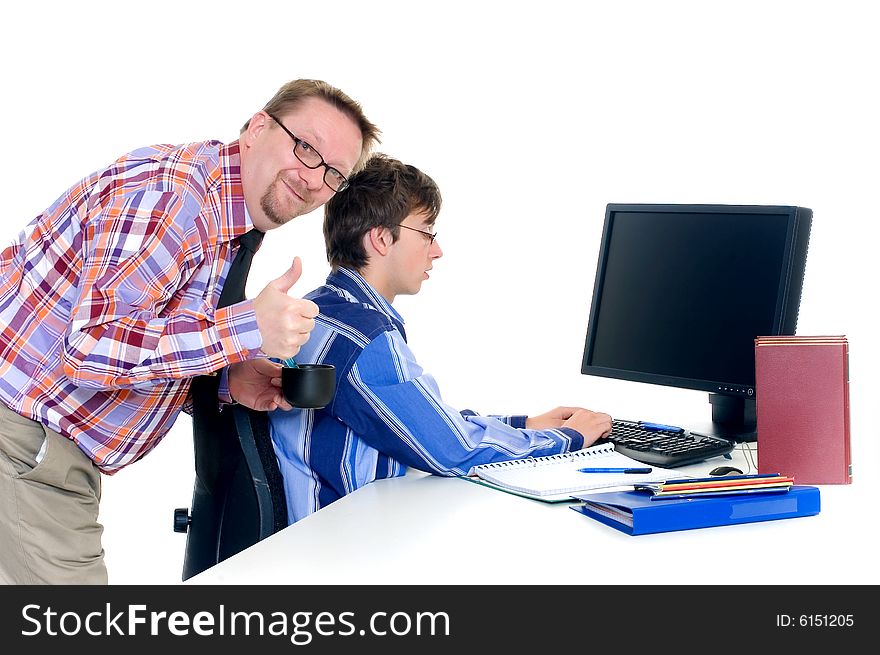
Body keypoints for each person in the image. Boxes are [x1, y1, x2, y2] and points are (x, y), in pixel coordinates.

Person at [0, 79, 380, 584]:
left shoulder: (226, 218)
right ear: (257, 127)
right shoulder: (175, 199)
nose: (313, 179)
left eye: (334, 173)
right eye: (306, 148)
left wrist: (227, 378)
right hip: (25, 444)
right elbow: (91, 346)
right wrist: (245, 327)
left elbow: (144, 333)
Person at [269, 154, 612, 525]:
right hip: (341, 547)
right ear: (382, 238)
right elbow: (451, 449)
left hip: (317, 535)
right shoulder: (364, 339)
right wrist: (570, 439)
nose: (437, 250)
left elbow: (423, 420)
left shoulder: (316, 311)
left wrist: (524, 423)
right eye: (428, 232)